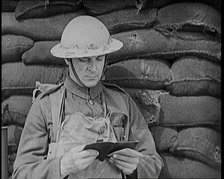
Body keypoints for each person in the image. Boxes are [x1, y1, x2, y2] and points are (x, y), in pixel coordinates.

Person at [12, 15, 163, 179]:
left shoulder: (121, 102)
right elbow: (21, 173)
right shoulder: (47, 106)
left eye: (99, 59)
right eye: (85, 59)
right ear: (67, 59)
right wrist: (62, 166)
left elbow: (154, 163)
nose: (93, 68)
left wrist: (137, 166)